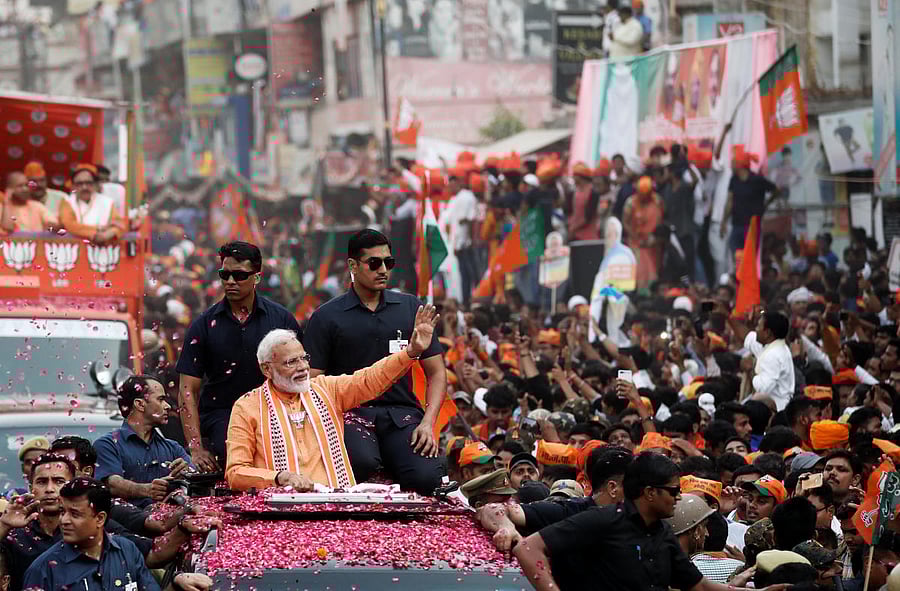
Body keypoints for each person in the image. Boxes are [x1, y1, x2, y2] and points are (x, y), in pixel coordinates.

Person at [225, 304, 439, 492]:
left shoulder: (326, 389)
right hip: (279, 511)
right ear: (267, 369)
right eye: (291, 362)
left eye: (304, 358)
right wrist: (279, 478)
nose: (303, 367)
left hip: (334, 502)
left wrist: (411, 353)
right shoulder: (247, 407)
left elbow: (369, 380)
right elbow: (235, 473)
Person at [303, 229, 445, 496]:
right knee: (362, 462)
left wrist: (428, 423)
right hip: (349, 414)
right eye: (374, 263)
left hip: (402, 415)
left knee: (427, 477)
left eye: (388, 263)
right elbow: (312, 383)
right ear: (353, 266)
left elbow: (436, 373)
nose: (383, 270)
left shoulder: (411, 308)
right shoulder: (326, 317)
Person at [514, 452, 787, 591]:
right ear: (649, 493)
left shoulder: (661, 536)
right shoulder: (602, 521)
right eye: (673, 491)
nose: (679, 498)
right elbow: (527, 549)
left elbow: (700, 586)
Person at [177, 241, 303, 468]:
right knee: (236, 454)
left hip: (277, 411)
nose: (230, 282)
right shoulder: (204, 325)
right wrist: (195, 449)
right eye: (224, 275)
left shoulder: (281, 320)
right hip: (222, 415)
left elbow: (302, 375)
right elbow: (187, 390)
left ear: (257, 277)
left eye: (239, 275)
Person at [20, 477, 210, 591]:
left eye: (75, 514)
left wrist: (178, 584)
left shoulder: (126, 551)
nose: (64, 521)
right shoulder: (44, 570)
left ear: (100, 518)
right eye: (63, 512)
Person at [477, 446, 632, 552]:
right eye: (635, 483)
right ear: (613, 487)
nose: (641, 490)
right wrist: (506, 528)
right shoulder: (568, 512)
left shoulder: (644, 522)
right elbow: (491, 509)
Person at [93, 375, 194, 508]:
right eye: (161, 399)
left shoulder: (173, 447)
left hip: (171, 525)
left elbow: (196, 478)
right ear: (140, 404)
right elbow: (111, 484)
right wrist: (147, 490)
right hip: (126, 526)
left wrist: (188, 472)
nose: (168, 406)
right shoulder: (108, 445)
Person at [667, 494, 743, 583]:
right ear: (697, 531)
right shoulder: (676, 568)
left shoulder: (663, 562)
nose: (706, 533)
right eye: (704, 526)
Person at [720, 147, 780, 259]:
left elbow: (776, 190)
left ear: (739, 165)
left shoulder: (757, 180)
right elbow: (730, 201)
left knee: (749, 259)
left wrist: (766, 204)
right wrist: (724, 221)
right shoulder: (734, 180)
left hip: (751, 227)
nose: (731, 165)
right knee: (736, 258)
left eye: (733, 162)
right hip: (736, 225)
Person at [735, 310, 795, 411]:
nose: (756, 329)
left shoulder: (773, 355)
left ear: (767, 333)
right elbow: (747, 337)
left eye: (758, 326)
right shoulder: (774, 346)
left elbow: (763, 389)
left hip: (777, 410)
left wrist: (751, 371)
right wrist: (727, 316)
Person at [58, 164, 127, 245]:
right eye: (80, 183)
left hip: (103, 252)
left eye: (88, 183)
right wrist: (97, 230)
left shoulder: (107, 202)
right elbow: (69, 225)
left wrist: (106, 235)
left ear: (95, 184)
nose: (84, 187)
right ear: (73, 186)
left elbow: (119, 225)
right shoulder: (67, 201)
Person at [623, 176, 664, 289]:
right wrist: (636, 237)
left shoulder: (658, 201)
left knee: (655, 269)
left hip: (653, 243)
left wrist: (653, 238)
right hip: (636, 242)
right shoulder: (630, 203)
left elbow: (662, 221)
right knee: (640, 270)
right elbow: (625, 222)